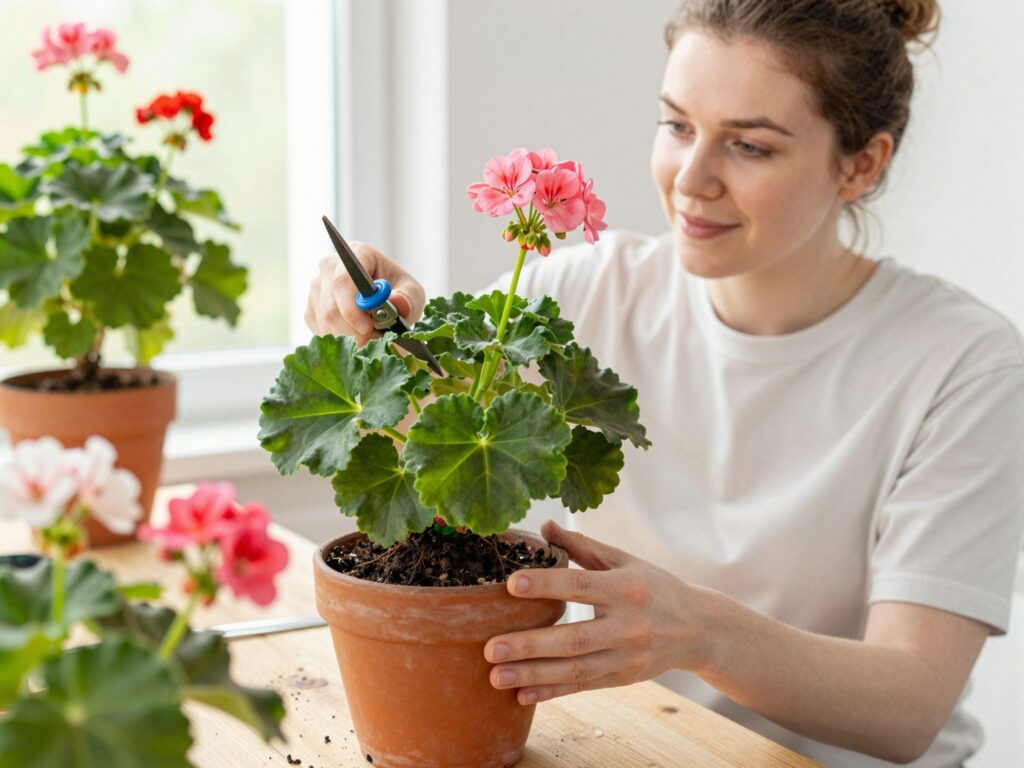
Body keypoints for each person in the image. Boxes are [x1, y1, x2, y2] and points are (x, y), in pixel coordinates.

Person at [304, 1, 1024, 765]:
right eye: (677, 126)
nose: (692, 179)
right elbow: (434, 437)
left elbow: (908, 705)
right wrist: (377, 334)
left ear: (861, 164)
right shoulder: (588, 287)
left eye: (749, 146)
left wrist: (702, 633)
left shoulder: (964, 363)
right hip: (643, 748)